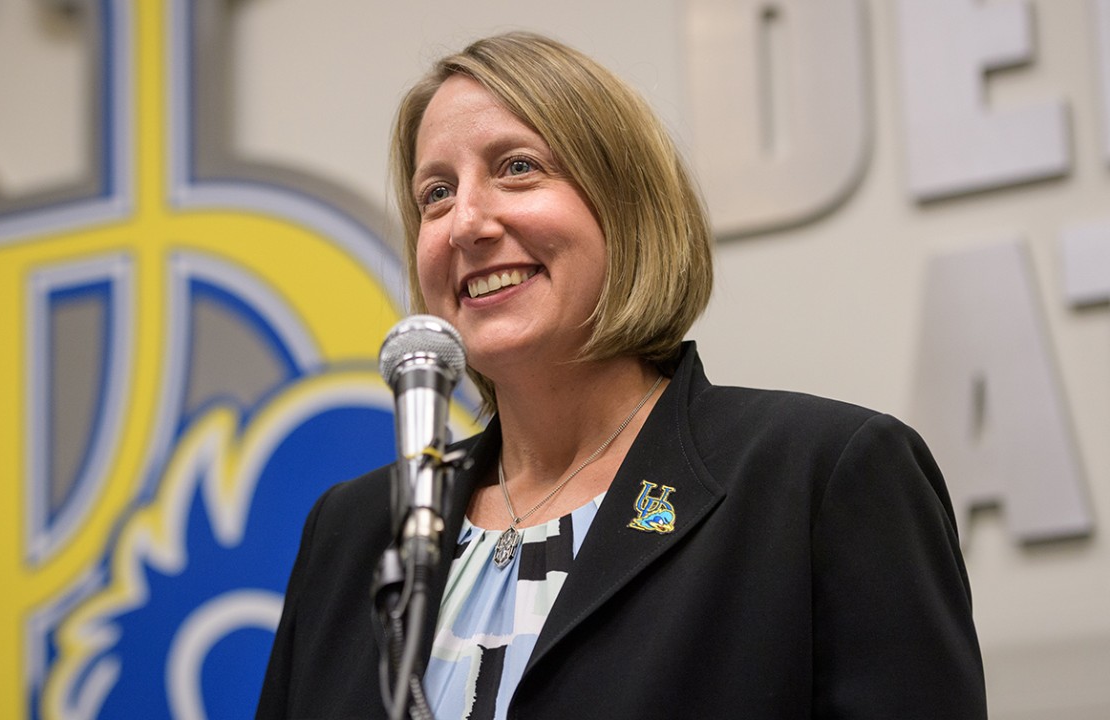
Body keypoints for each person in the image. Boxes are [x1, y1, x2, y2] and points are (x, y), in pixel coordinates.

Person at [256, 31, 987, 720]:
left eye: (517, 168)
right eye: (435, 194)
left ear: (626, 205)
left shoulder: (819, 479)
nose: (466, 222)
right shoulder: (352, 533)